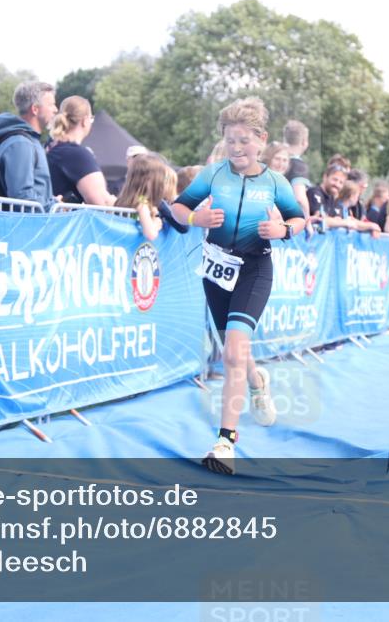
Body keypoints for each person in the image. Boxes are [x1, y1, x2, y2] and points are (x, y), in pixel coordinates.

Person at [171, 97, 306, 475]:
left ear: (261, 140)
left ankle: (224, 441)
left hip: (254, 270)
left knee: (232, 352)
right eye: (230, 140)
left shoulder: (275, 182)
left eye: (244, 141)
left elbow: (300, 220)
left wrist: (281, 230)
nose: (236, 148)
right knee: (234, 347)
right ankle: (257, 378)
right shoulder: (213, 175)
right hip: (216, 269)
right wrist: (197, 216)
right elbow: (179, 208)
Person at [0, 81, 57, 208]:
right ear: (35, 109)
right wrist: (52, 209)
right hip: (28, 226)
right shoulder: (21, 144)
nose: (55, 109)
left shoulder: (28, 142)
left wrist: (53, 203)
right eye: (51, 105)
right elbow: (22, 198)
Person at [46, 96, 115, 206]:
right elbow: (102, 202)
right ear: (85, 121)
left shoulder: (49, 148)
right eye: (91, 119)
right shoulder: (77, 155)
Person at [114, 154, 168, 241]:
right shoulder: (141, 204)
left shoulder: (128, 199)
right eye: (163, 178)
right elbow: (151, 234)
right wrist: (155, 225)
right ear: (150, 179)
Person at [282, 120, 312, 216]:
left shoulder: (273, 158)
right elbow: (300, 199)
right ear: (304, 142)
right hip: (288, 221)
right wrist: (307, 222)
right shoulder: (299, 166)